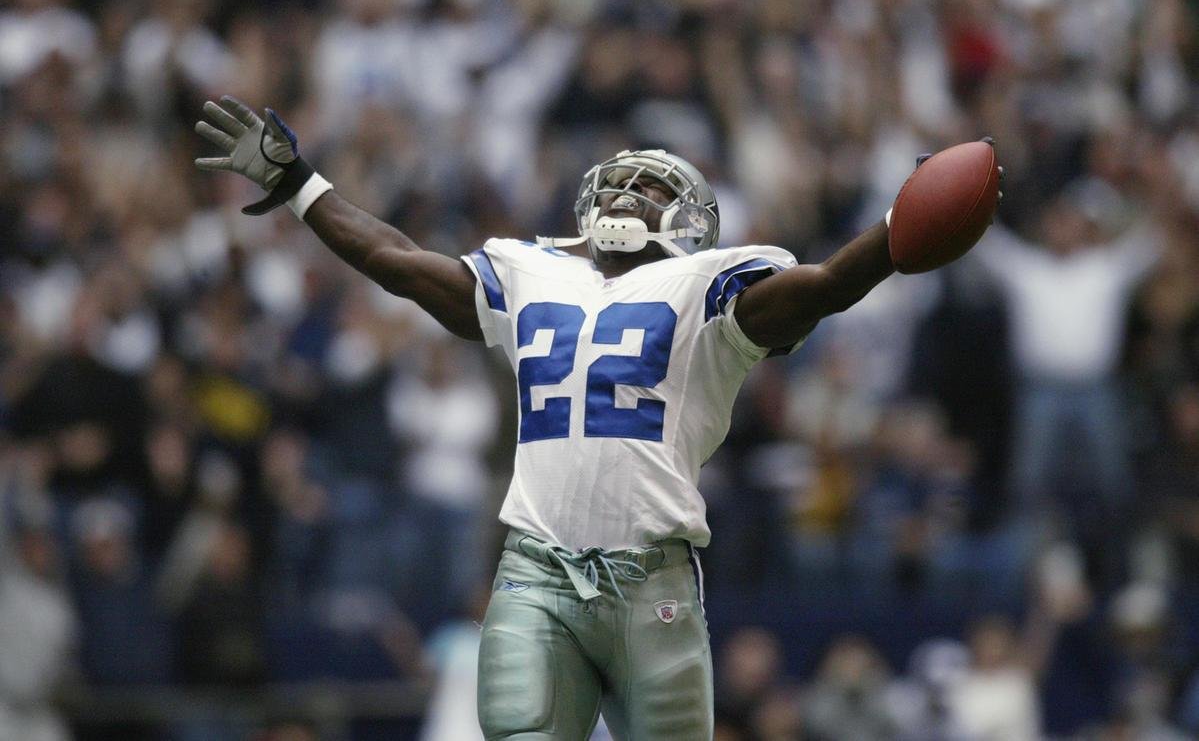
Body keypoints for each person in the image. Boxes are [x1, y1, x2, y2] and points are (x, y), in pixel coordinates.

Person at [194, 95, 979, 739]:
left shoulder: (711, 289)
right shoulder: (529, 271)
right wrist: (299, 182)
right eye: (617, 182)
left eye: (652, 188)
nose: (625, 194)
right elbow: (395, 260)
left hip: (652, 581)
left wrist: (890, 234)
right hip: (535, 572)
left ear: (692, 224)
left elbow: (822, 286)